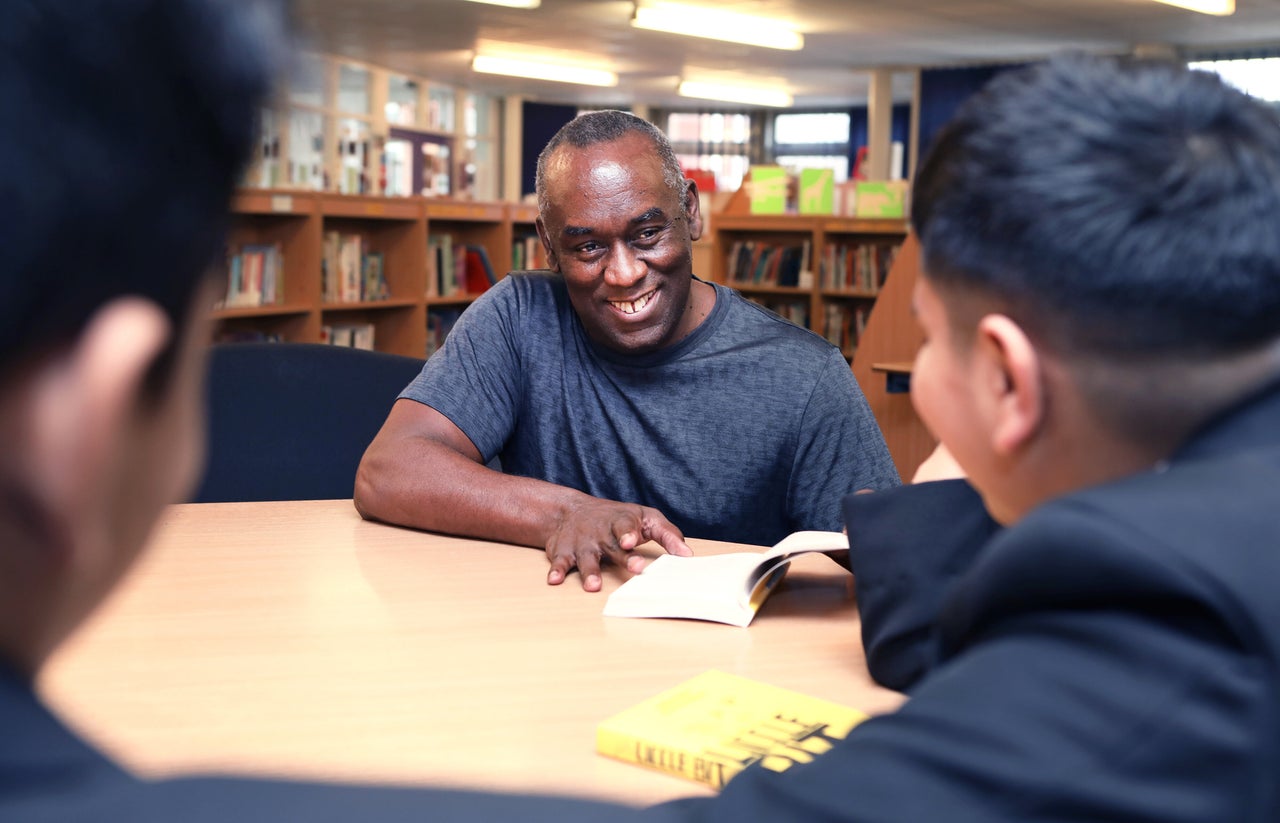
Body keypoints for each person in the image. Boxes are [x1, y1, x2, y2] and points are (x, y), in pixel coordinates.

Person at [354, 110, 899, 591]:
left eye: (646, 234)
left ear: (690, 212)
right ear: (547, 243)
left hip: (726, 669)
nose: (623, 273)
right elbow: (388, 470)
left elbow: (891, 568)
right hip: (554, 644)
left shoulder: (806, 376)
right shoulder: (518, 317)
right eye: (587, 246)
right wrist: (568, 512)